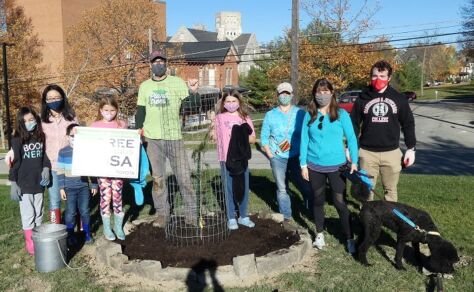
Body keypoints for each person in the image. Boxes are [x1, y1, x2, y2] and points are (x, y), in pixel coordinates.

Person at [135, 50, 198, 227]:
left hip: (174, 137)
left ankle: (192, 214)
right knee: (158, 179)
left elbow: (192, 106)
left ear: (166, 63)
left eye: (161, 61)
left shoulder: (177, 82)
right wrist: (138, 129)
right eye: (155, 62)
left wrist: (193, 92)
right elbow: (141, 111)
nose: (158, 64)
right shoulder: (145, 86)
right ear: (150, 65)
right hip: (151, 139)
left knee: (184, 177)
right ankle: (163, 214)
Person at [300, 78, 358, 253]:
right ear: (314, 94)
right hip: (314, 165)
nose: (322, 95)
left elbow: (352, 138)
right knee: (318, 200)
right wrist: (303, 164)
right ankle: (319, 234)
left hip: (337, 166)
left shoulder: (341, 114)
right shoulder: (308, 114)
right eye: (319, 91)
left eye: (326, 91)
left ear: (332, 93)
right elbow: (303, 140)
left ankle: (349, 238)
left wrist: (354, 161)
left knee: (340, 202)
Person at [4, 84, 78, 224]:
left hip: (71, 166)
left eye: (57, 97)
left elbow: (80, 138)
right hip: (52, 167)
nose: (54, 100)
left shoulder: (72, 118)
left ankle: (74, 230)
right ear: (45, 100)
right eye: (50, 98)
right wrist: (12, 151)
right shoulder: (41, 121)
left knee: (74, 200)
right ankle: (56, 232)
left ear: (63, 98)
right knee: (55, 202)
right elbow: (25, 137)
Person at [350, 60, 416, 202]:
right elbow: (353, 124)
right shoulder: (362, 98)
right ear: (370, 77)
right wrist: (349, 147)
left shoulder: (399, 98)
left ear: (389, 78)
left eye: (382, 76)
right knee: (366, 192)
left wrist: (411, 148)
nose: (378, 79)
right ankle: (366, 222)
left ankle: (390, 221)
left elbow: (408, 124)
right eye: (374, 76)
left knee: (391, 192)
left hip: (391, 153)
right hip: (367, 154)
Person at [260, 82, 310, 221]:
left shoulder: (300, 113)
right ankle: (286, 216)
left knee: (305, 186)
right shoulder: (270, 115)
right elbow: (264, 137)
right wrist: (271, 155)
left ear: (292, 95)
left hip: (297, 156)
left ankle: (309, 210)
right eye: (282, 93)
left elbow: (307, 134)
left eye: (287, 93)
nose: (284, 96)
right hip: (278, 157)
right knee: (282, 188)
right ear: (277, 95)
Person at [211, 90, 256, 230]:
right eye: (228, 101)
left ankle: (243, 215)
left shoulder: (245, 118)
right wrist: (212, 125)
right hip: (225, 158)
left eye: (234, 101)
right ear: (223, 103)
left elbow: (253, 139)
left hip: (241, 159)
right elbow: (213, 137)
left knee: (242, 187)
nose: (231, 104)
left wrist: (240, 135)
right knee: (228, 188)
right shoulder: (219, 118)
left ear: (239, 102)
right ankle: (231, 217)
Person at [9, 107, 51, 255]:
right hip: (24, 183)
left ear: (36, 120)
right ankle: (30, 241)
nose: (29, 123)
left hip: (39, 183)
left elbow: (45, 156)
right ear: (20, 123)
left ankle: (38, 237)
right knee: (28, 214)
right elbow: (15, 163)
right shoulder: (17, 140)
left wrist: (46, 168)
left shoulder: (41, 136)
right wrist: (13, 182)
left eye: (31, 119)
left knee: (39, 212)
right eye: (25, 121)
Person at [90, 96, 128, 240]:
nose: (109, 113)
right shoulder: (95, 126)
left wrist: (136, 135)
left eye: (112, 110)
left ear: (116, 110)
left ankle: (118, 227)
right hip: (102, 170)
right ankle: (107, 228)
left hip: (117, 169)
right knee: (105, 198)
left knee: (118, 197)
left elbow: (128, 143)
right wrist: (76, 132)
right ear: (101, 110)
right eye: (106, 110)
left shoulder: (122, 124)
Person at [57, 123, 98, 245]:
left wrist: (94, 184)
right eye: (72, 136)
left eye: (77, 136)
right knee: (70, 212)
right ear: (67, 137)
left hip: (84, 187)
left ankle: (87, 233)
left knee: (85, 211)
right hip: (69, 188)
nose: (75, 138)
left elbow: (92, 168)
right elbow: (60, 171)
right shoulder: (63, 152)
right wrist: (61, 188)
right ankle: (70, 234)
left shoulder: (87, 150)